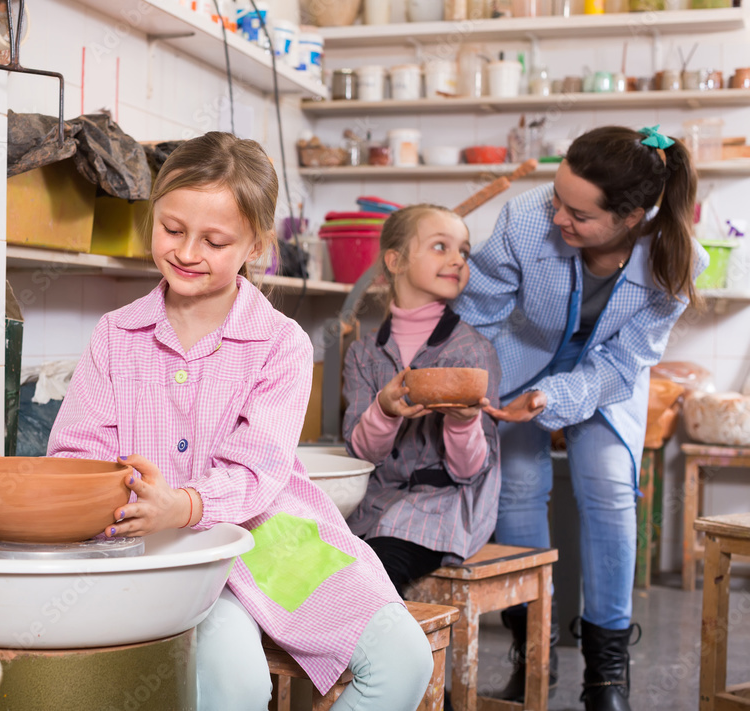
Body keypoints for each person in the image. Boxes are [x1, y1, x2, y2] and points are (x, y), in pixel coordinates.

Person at [47, 131, 432, 711]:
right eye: (172, 229)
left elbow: (259, 465)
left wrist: (189, 503)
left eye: (215, 240)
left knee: (405, 660)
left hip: (274, 539)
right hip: (172, 556)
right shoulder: (116, 336)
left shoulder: (282, 343)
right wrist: (127, 499)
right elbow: (75, 456)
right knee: (235, 685)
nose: (186, 252)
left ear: (256, 243)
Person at [453, 125, 707, 711]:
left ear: (632, 216)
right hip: (513, 361)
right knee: (517, 488)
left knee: (611, 491)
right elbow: (479, 314)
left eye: (579, 214)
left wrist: (554, 399)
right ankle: (532, 658)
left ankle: (607, 678)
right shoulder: (524, 218)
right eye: (556, 199)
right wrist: (479, 386)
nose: (558, 217)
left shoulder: (674, 258)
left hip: (607, 377)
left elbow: (626, 361)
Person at [341, 204, 502, 598]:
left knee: (371, 578)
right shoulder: (363, 354)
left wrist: (463, 421)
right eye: (440, 247)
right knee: (315, 567)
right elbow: (362, 454)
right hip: (375, 503)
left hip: (443, 507)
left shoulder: (472, 353)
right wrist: (384, 409)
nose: (456, 260)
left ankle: (388, 658)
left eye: (462, 251)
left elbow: (470, 471)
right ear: (394, 261)